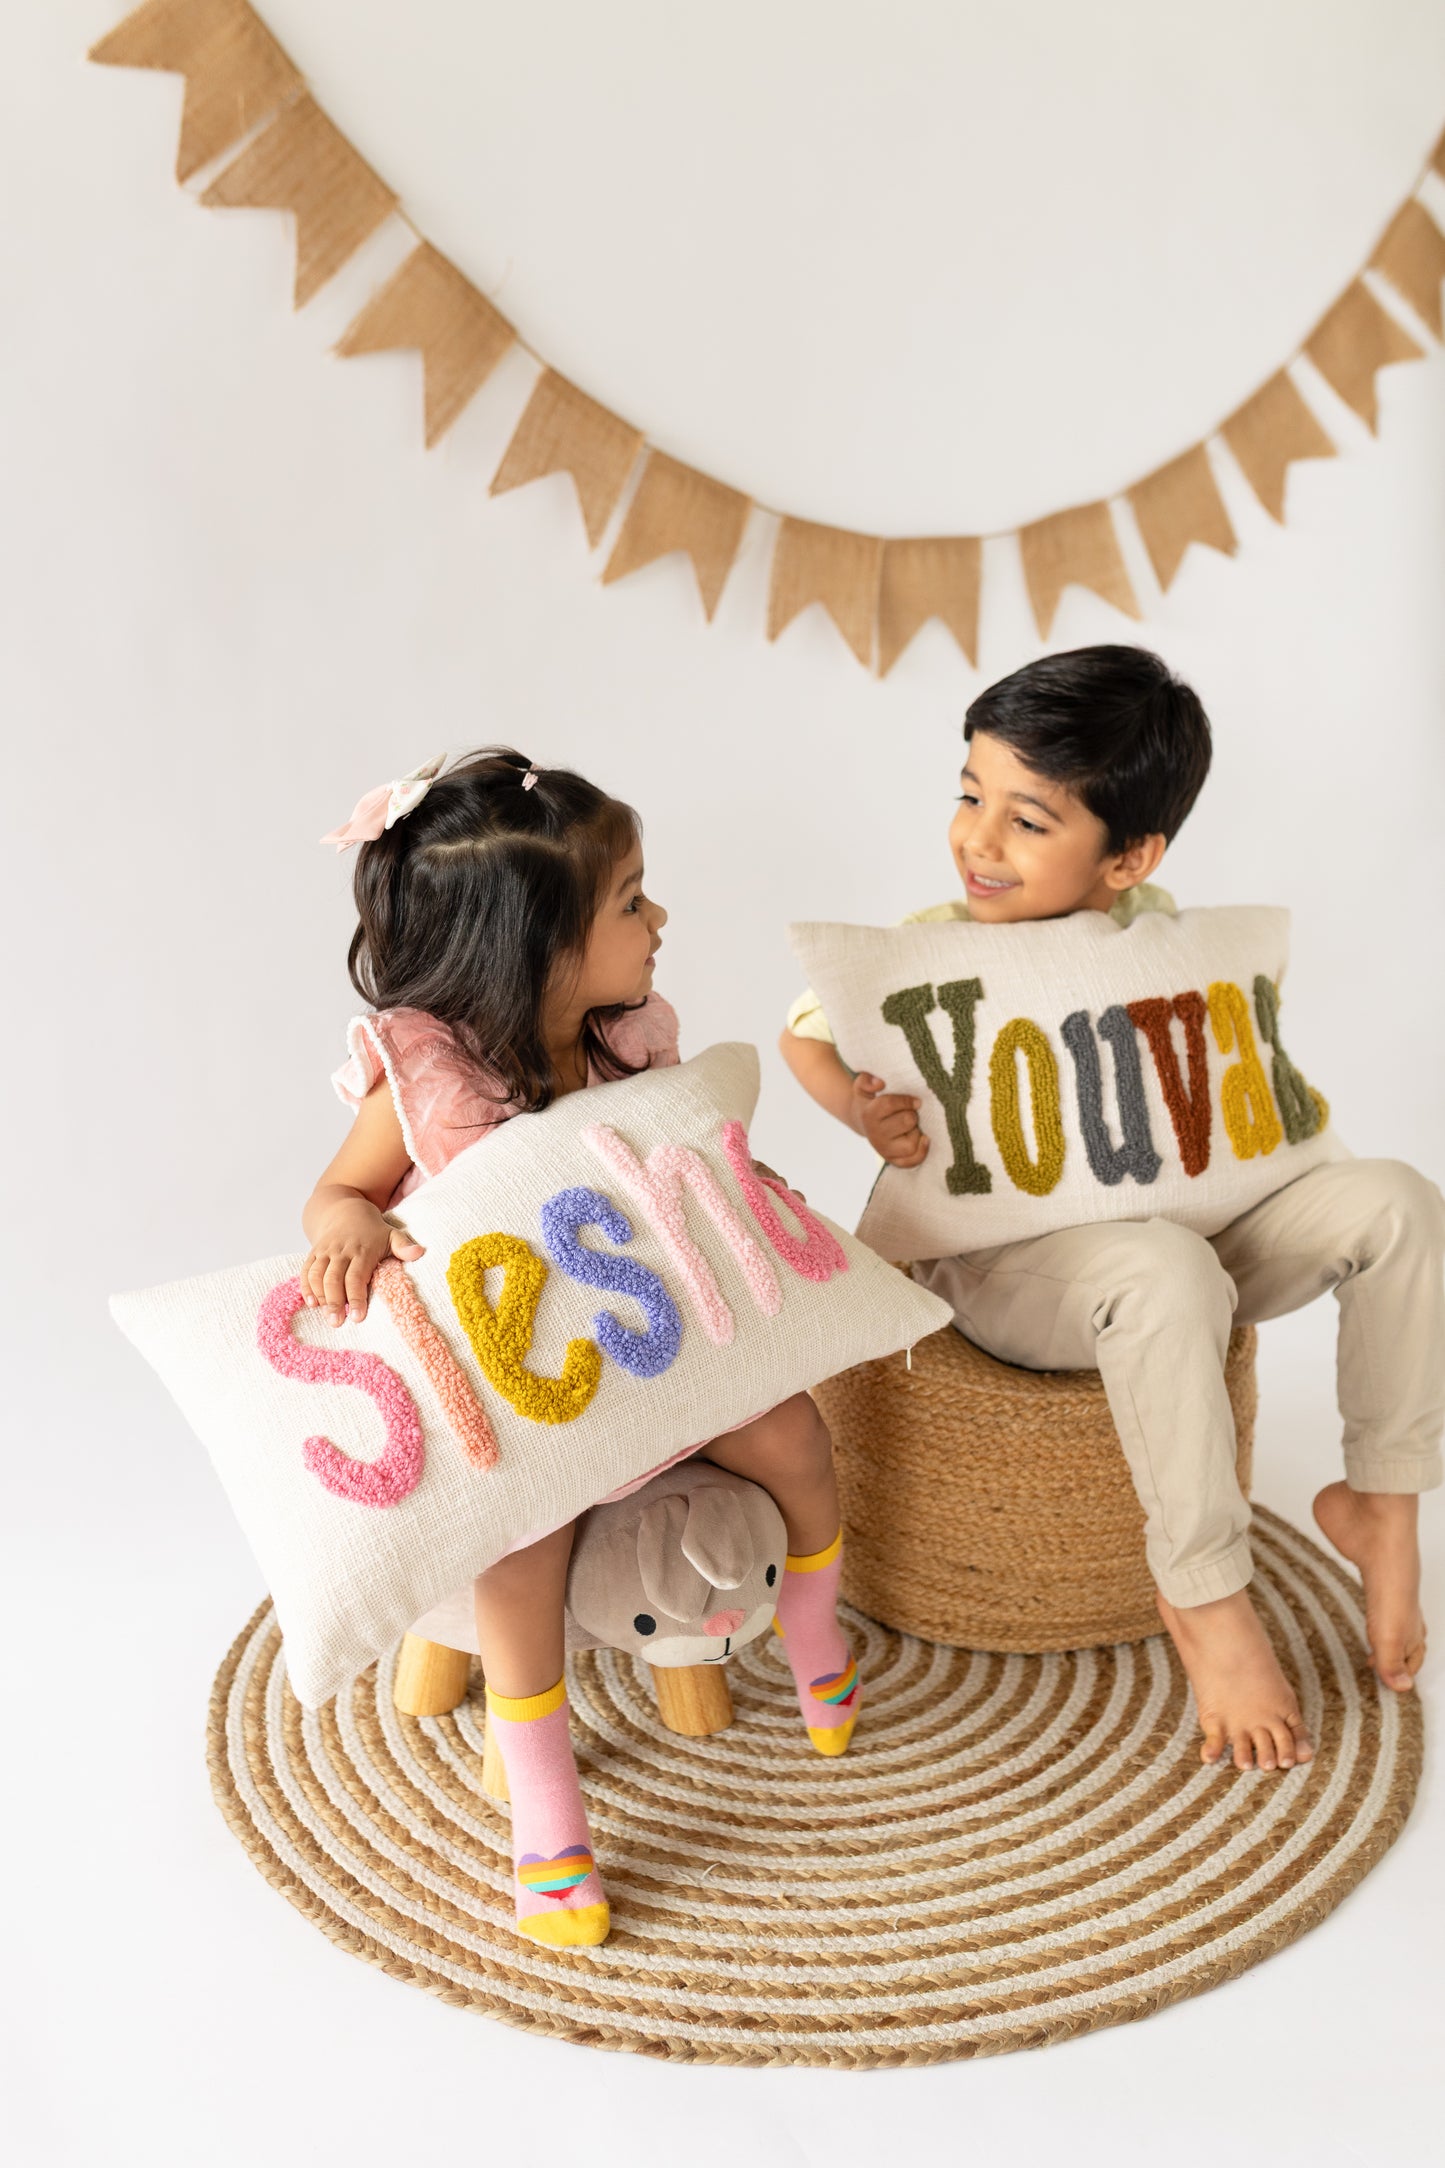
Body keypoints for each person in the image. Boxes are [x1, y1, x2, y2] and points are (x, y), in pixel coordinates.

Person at [782, 645, 1442, 1773]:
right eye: (969, 793)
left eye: (1026, 820)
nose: (977, 839)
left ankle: (1381, 1495)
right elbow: (805, 1029)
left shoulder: (1163, 932)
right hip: (1003, 1259)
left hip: (1170, 1220)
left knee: (1395, 1200)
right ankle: (1207, 1592)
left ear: (1128, 857)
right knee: (1162, 1269)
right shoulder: (933, 937)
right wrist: (856, 1104)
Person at [303, 748, 859, 1949]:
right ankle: (546, 1796)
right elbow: (340, 1191)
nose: (660, 919)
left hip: (658, 1360)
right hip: (533, 1395)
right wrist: (348, 1221)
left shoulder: (632, 1035)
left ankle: (813, 1614)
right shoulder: (425, 1079)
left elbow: (678, 1177)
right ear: (537, 945)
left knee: (792, 1429)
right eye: (630, 901)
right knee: (518, 1540)